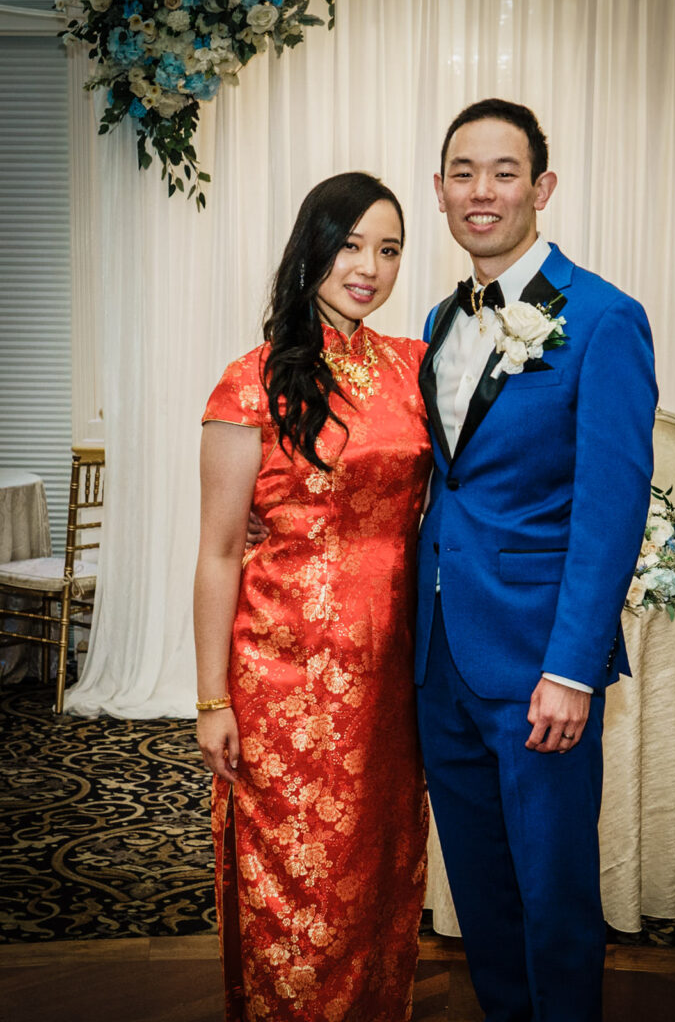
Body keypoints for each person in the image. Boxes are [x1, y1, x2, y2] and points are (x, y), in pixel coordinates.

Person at [414, 99, 658, 1021]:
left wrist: (571, 669)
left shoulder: (602, 319)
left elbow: (610, 508)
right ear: (439, 191)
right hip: (439, 661)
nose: (482, 192)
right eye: (463, 173)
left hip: (535, 667)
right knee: (479, 893)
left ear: (541, 187)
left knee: (553, 895)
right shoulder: (440, 316)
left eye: (503, 171)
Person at [194, 172, 432, 1022]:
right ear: (313, 248)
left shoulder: (413, 367)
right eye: (351, 244)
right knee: (295, 877)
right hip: (282, 678)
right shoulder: (248, 383)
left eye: (390, 248)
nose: (368, 266)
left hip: (392, 673)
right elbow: (220, 551)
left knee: (379, 863)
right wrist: (212, 698)